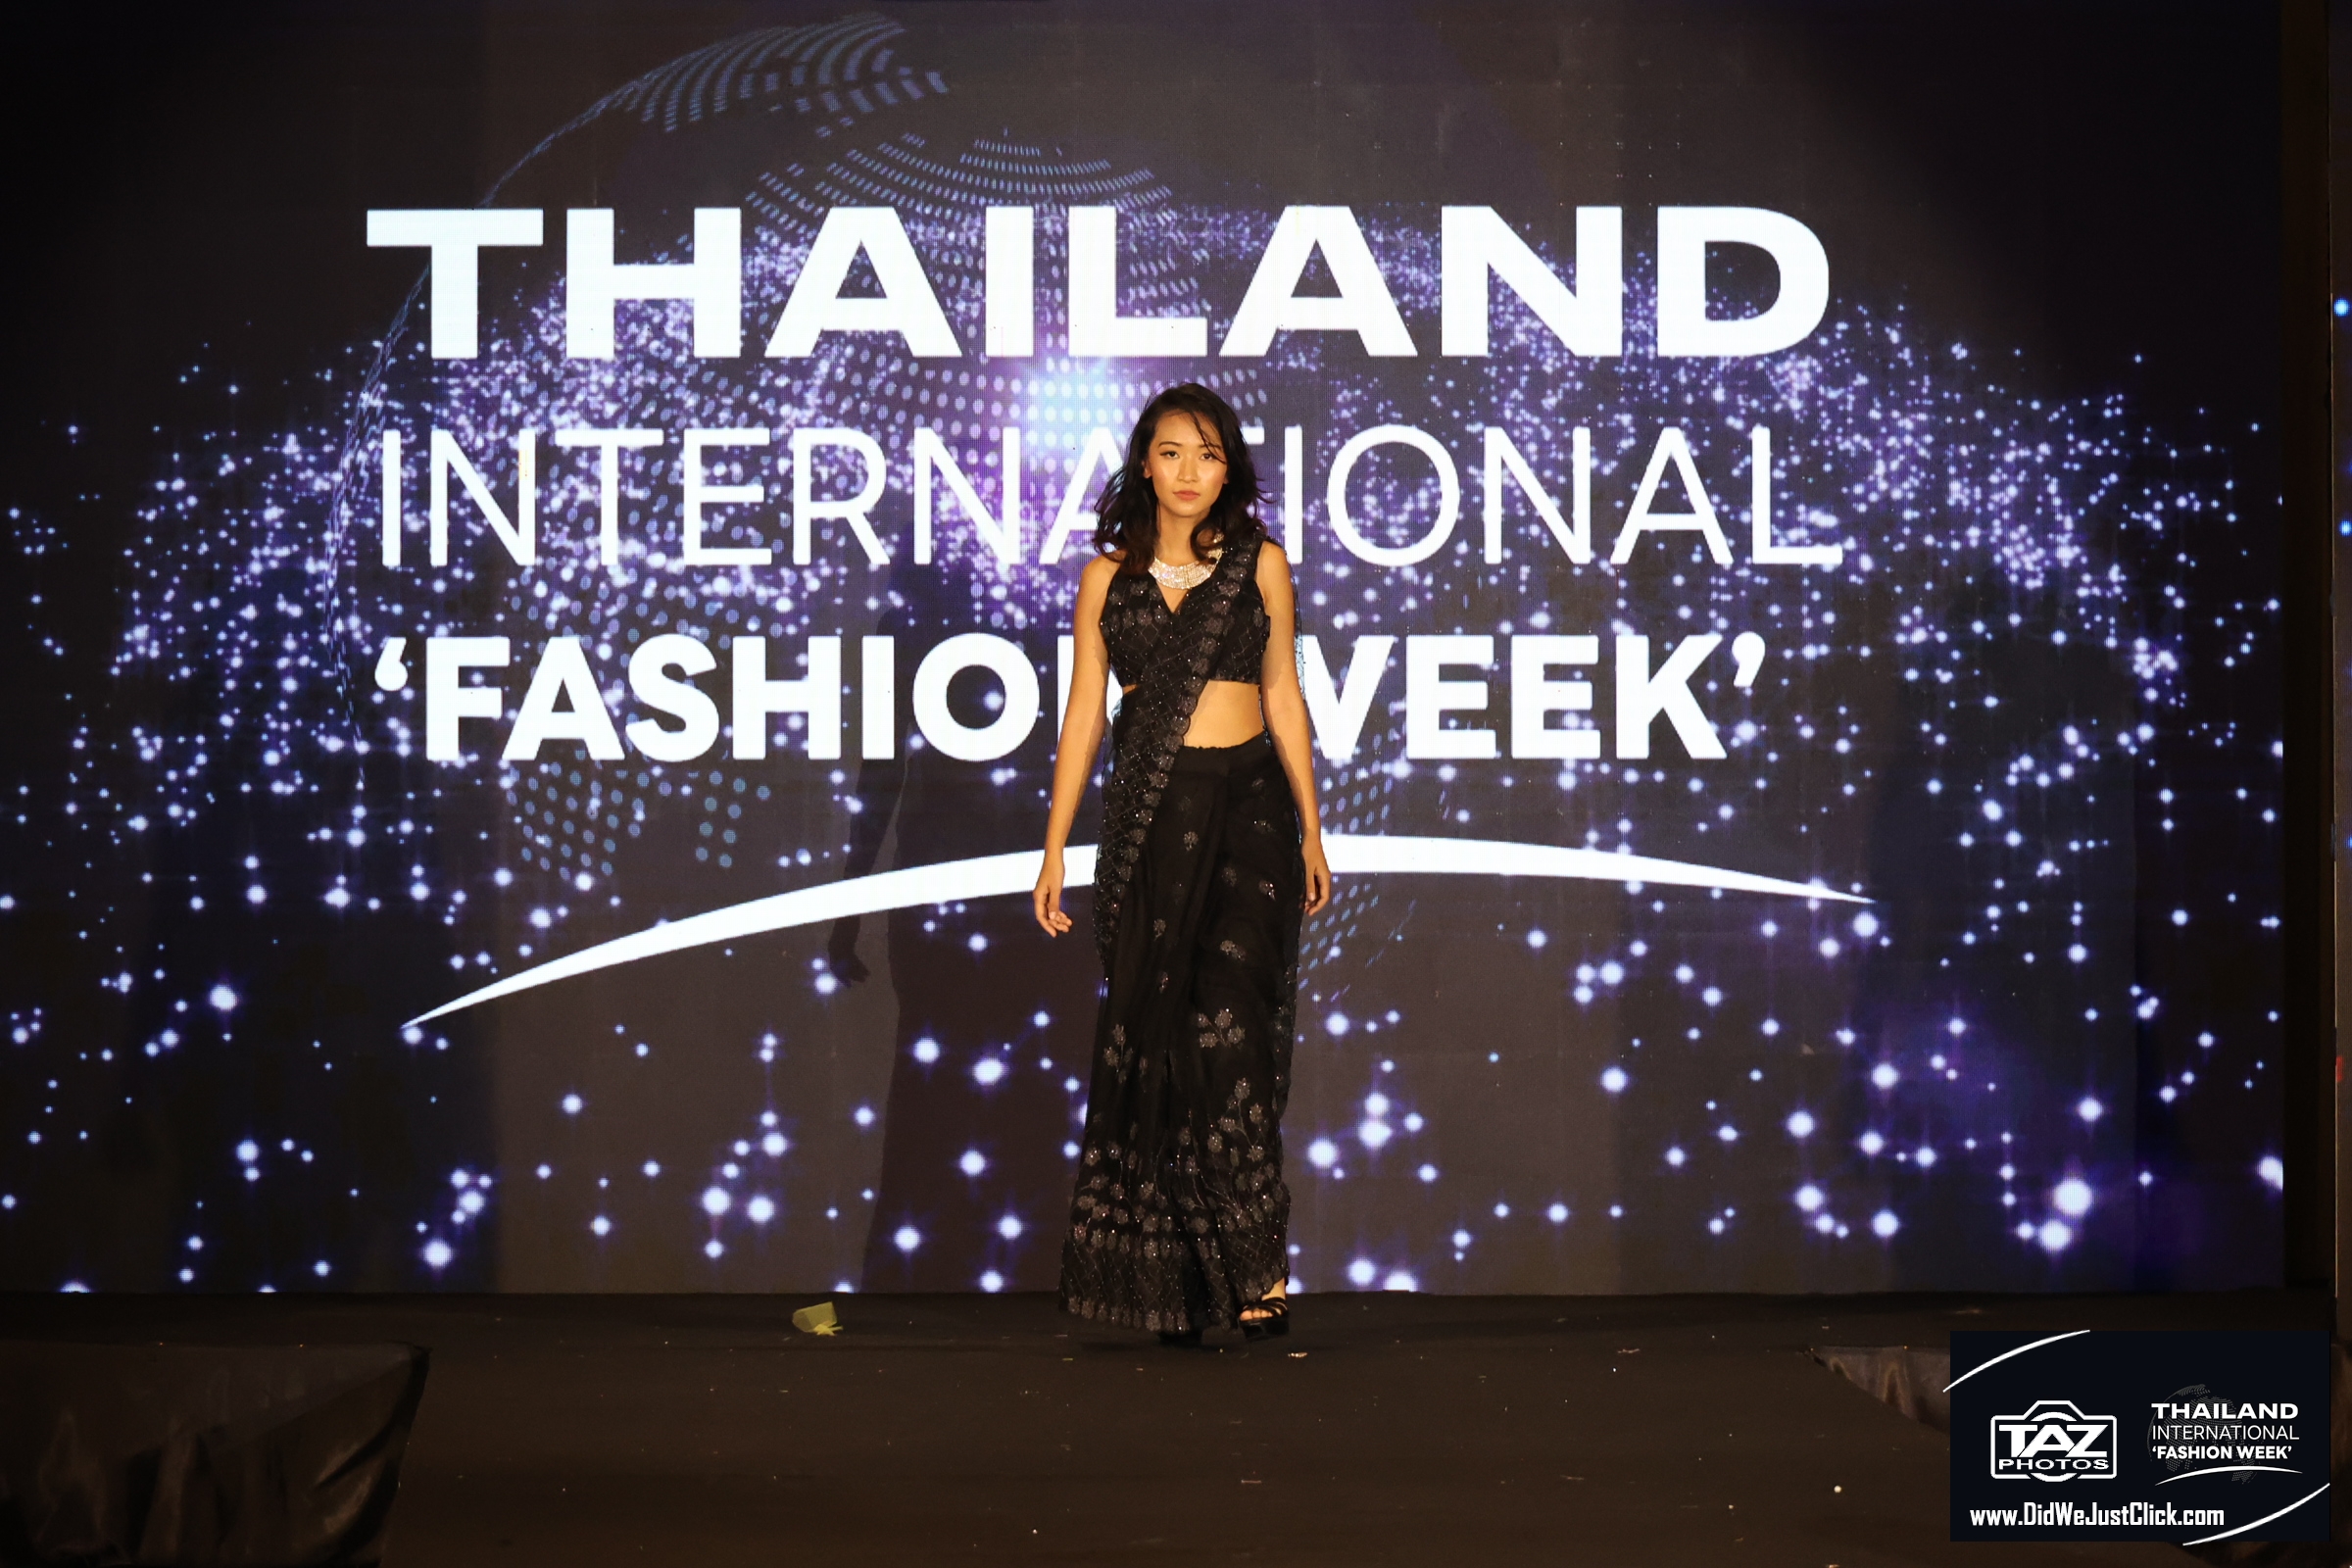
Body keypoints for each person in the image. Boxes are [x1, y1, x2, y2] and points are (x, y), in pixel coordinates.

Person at [1032, 382, 1332, 1345]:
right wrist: (1054, 846)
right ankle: (1178, 1281)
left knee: (1230, 1033)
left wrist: (1312, 827)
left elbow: (1282, 693)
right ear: (1145, 465)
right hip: (1151, 826)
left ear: (1228, 467)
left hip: (1249, 817)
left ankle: (1257, 1267)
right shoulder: (1105, 580)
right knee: (1160, 1043)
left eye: (1207, 454)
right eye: (1172, 453)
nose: (1190, 472)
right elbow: (1085, 716)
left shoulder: (1260, 565)